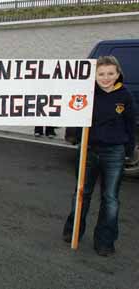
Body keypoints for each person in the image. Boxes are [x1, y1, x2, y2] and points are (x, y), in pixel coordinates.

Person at [62, 56, 136, 257]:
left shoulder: (125, 96)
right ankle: (73, 231)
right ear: (94, 75)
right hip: (88, 150)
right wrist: (74, 137)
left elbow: (130, 124)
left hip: (114, 152)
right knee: (82, 193)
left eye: (110, 73)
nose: (106, 78)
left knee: (110, 198)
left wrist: (128, 151)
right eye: (101, 74)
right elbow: (74, 113)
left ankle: (105, 241)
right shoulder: (87, 93)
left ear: (118, 73)